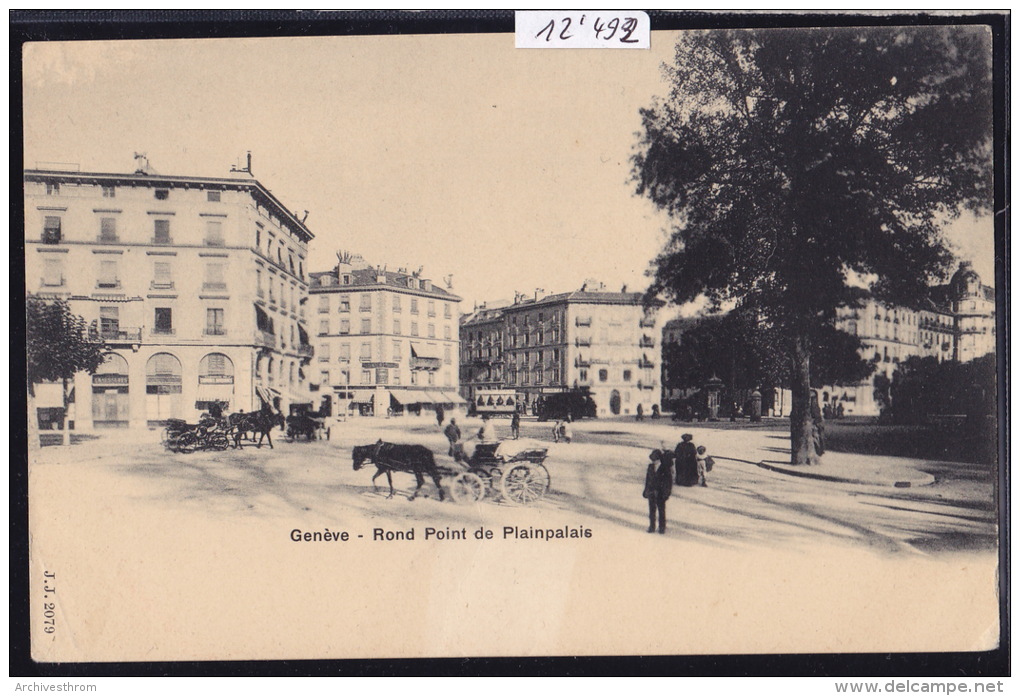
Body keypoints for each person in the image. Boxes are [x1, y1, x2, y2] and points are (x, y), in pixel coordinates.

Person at [643, 449, 673, 534]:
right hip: (651, 492)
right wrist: (646, 491)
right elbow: (647, 480)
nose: (653, 460)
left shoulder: (665, 467)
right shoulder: (650, 466)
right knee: (652, 510)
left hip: (661, 493)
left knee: (661, 511)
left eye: (654, 458)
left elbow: (668, 482)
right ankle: (652, 527)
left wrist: (666, 493)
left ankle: (661, 528)